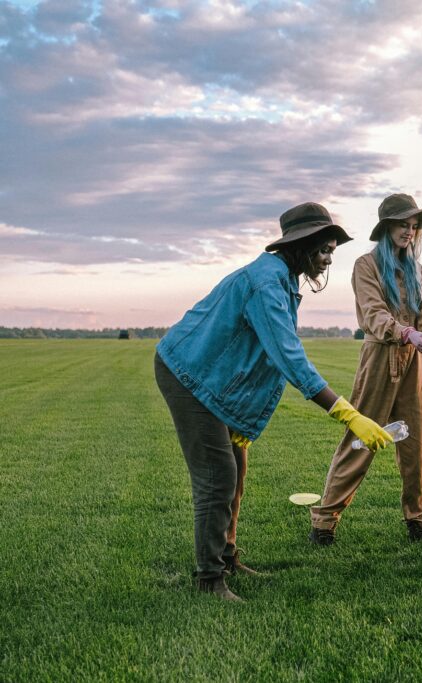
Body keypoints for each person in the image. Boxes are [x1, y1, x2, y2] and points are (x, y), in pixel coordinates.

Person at [155, 202, 393, 602]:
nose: (328, 258)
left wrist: (242, 421)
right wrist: (349, 415)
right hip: (188, 375)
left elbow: (256, 358)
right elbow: (288, 357)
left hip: (212, 379)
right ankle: (208, 580)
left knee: (237, 466)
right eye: (324, 249)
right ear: (300, 244)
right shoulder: (267, 283)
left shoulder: (282, 279)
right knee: (217, 478)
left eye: (332, 250)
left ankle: (227, 556)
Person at [309, 193, 422, 545]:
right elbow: (373, 313)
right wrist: (404, 332)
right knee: (360, 440)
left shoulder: (417, 271)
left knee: (416, 444)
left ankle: (419, 519)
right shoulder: (366, 266)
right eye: (404, 225)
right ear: (387, 227)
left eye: (415, 226)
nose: (410, 231)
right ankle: (325, 520)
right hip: (379, 359)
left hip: (412, 364)